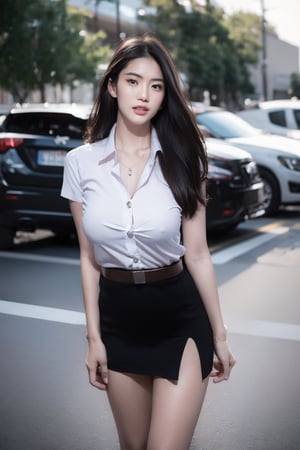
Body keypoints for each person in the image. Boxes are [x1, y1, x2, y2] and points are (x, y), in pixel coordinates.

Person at [61, 34, 235, 450]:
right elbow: (88, 259)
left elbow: (197, 254)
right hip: (119, 322)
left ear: (165, 95)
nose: (144, 95)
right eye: (134, 81)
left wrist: (221, 336)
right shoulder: (80, 163)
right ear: (112, 86)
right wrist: (94, 339)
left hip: (179, 317)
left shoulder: (184, 159)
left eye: (156, 86)